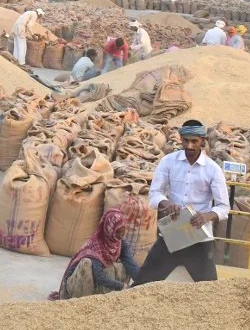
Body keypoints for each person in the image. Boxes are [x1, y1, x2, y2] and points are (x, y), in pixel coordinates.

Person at [136, 120, 229, 284]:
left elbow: (223, 207)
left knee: (209, 291)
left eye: (195, 141)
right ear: (180, 139)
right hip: (173, 233)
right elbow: (154, 194)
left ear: (203, 140)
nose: (190, 146)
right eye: (186, 140)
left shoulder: (213, 169)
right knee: (143, 283)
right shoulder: (168, 162)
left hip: (199, 237)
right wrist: (167, 204)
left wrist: (206, 216)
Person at [49, 209, 139, 300]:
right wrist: (122, 286)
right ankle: (83, 301)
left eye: (123, 231)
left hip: (99, 284)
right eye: (117, 232)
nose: (120, 235)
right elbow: (99, 277)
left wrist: (142, 283)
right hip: (77, 285)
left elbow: (131, 265)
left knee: (121, 266)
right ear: (109, 229)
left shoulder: (121, 244)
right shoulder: (96, 246)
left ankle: (108, 300)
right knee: (87, 263)